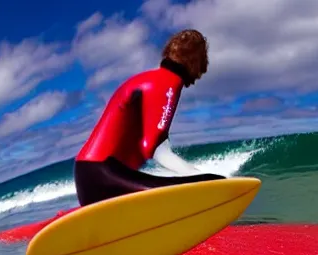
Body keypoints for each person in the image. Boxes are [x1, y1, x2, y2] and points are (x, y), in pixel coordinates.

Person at [73, 29, 225, 207]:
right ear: (197, 61)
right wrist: (196, 175)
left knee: (190, 184)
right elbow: (154, 149)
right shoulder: (167, 84)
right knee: (209, 183)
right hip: (102, 176)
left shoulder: (150, 78)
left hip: (91, 175)